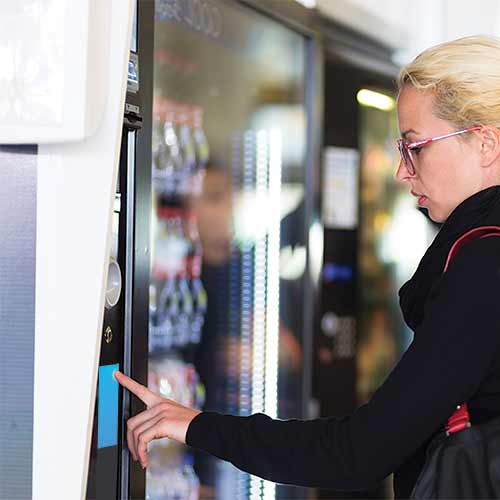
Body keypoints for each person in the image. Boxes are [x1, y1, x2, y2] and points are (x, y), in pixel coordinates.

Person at [115, 35, 500, 498]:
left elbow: (360, 452)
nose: (402, 171)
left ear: (485, 143)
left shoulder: (483, 264)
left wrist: (196, 425)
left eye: (415, 147)